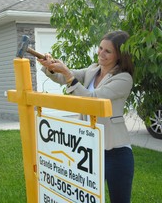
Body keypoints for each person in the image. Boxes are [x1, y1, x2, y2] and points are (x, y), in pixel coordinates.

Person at [37, 30, 134, 203]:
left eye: (108, 51)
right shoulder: (93, 69)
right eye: (100, 48)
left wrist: (68, 74)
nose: (101, 53)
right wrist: (50, 66)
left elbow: (93, 100)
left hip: (116, 152)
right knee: (84, 198)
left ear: (119, 55)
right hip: (90, 150)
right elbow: (64, 76)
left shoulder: (124, 79)